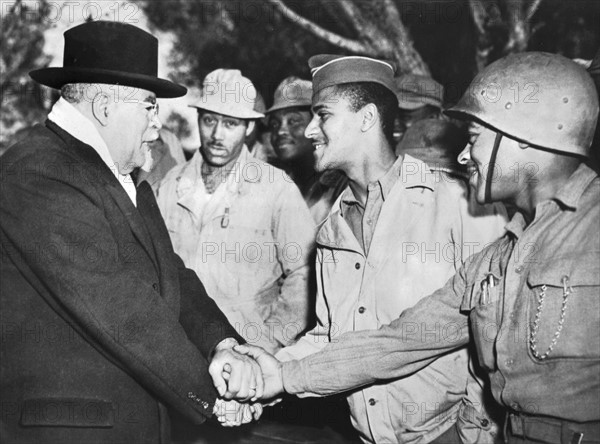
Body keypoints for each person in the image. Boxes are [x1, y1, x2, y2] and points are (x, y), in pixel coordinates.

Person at [239, 52, 600, 444]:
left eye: (475, 138)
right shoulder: (501, 254)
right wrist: (277, 374)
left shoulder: (572, 225)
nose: (463, 156)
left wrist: (467, 432)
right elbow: (400, 341)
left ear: (523, 137)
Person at [0, 21, 263, 444]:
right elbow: (121, 307)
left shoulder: (116, 174)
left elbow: (168, 275)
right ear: (104, 107)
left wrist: (222, 345)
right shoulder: (38, 172)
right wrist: (218, 394)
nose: (158, 125)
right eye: (149, 107)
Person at [155, 69, 315, 354]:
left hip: (247, 354)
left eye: (230, 123)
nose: (217, 134)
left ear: (249, 128)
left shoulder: (276, 188)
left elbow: (304, 273)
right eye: (209, 121)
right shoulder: (170, 185)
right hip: (180, 351)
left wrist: (270, 341)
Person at [267, 76, 347, 224]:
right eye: (274, 124)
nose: (280, 131)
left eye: (293, 121)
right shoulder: (273, 184)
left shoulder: (340, 184)